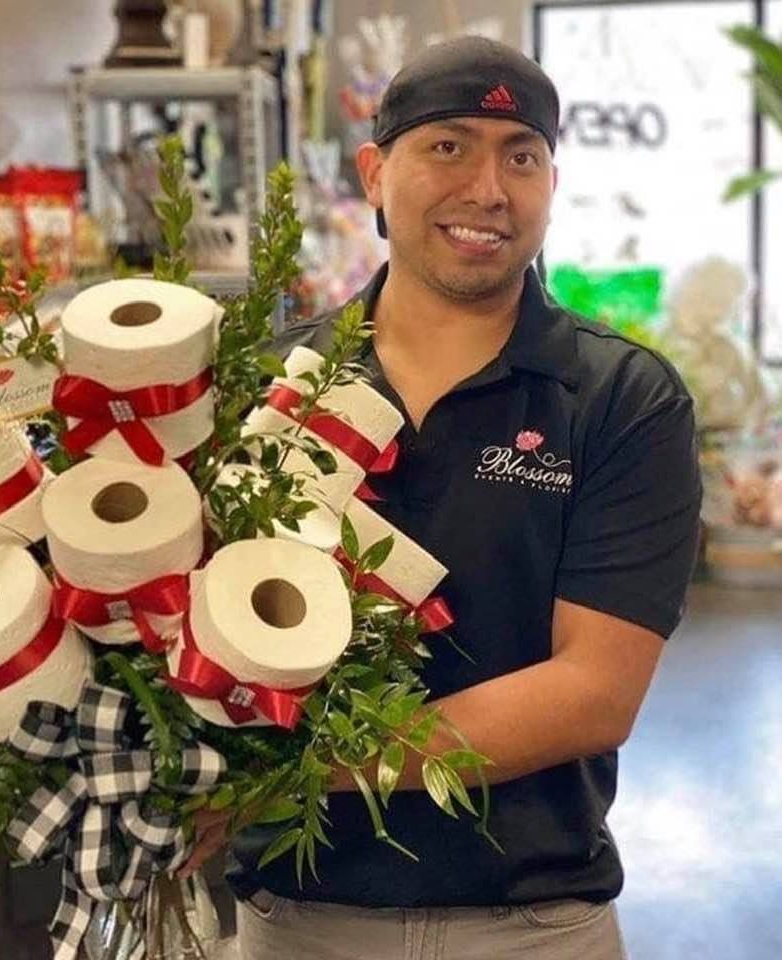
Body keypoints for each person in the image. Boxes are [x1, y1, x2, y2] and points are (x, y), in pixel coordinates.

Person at [182, 36, 702, 960]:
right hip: (294, 922)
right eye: (448, 146)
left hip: (536, 926)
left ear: (551, 183)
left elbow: (591, 694)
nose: (487, 190)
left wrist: (288, 777)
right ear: (374, 174)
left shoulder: (619, 398)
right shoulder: (264, 385)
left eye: (521, 156)